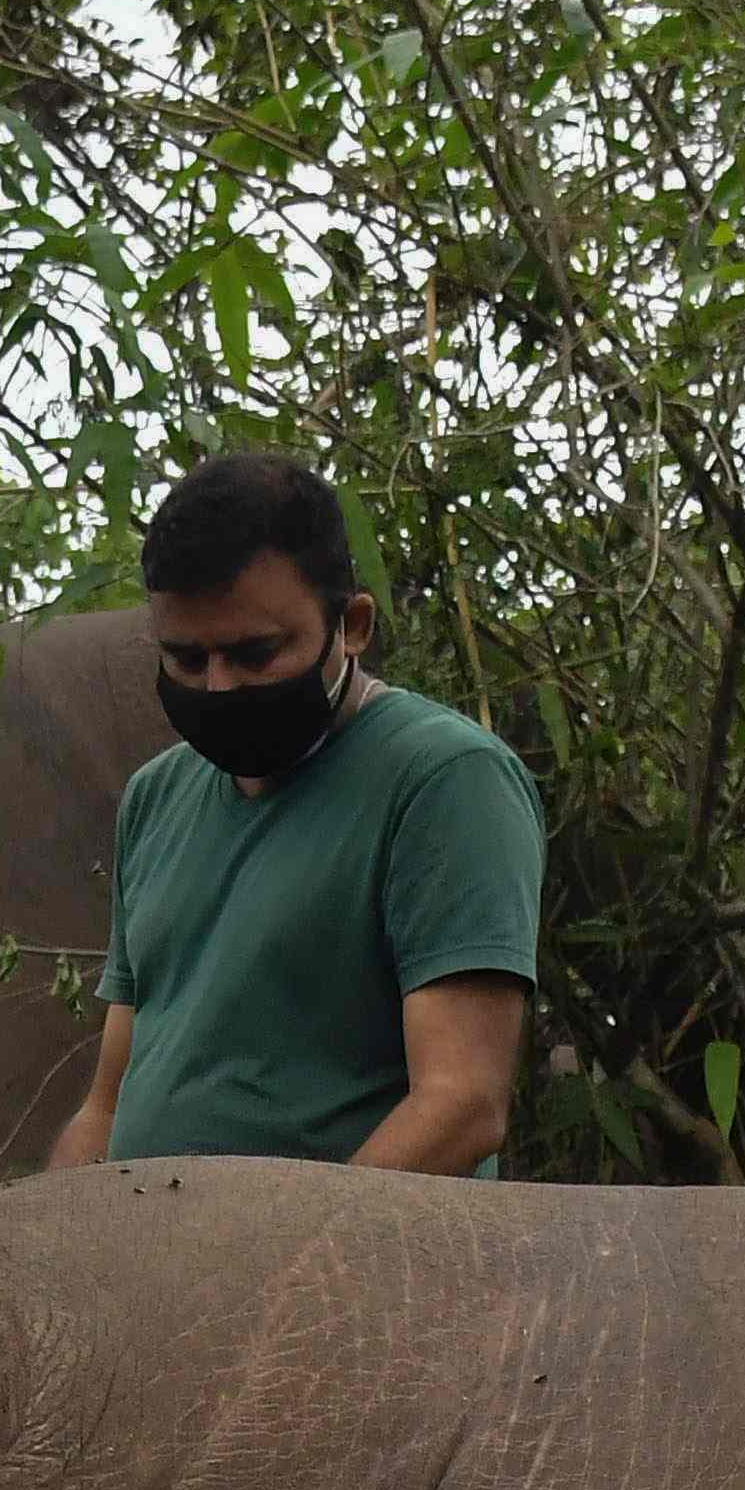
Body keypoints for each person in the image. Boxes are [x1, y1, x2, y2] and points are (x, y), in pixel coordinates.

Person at [50, 447, 548, 1180]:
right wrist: (52, 1242)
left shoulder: (443, 782)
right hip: (152, 1273)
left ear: (351, 625)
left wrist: (277, 1271)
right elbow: (108, 1103)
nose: (218, 689)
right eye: (186, 660)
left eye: (254, 653)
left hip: (347, 1281)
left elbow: (462, 1105)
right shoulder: (156, 799)